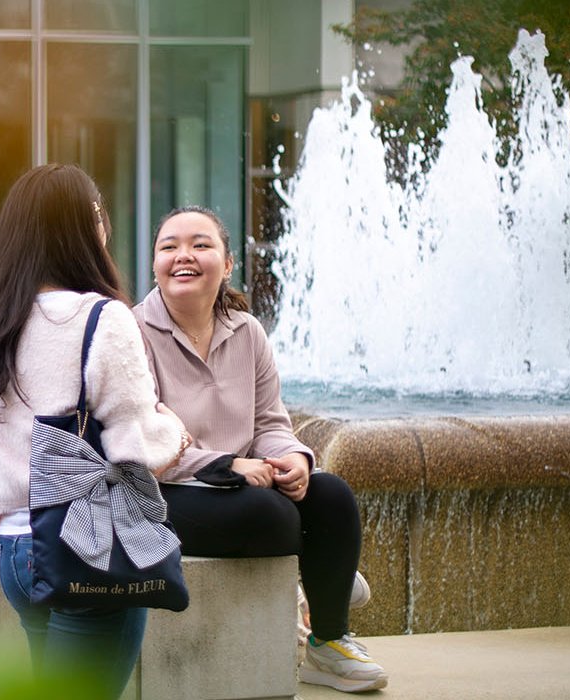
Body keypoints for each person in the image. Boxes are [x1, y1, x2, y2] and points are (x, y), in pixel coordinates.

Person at [0, 164, 191, 699]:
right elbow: (138, 451)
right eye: (98, 213)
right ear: (85, 230)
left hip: (16, 550)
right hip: (86, 549)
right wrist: (175, 431)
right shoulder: (101, 318)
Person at [133, 206, 388, 693]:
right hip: (160, 490)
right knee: (268, 516)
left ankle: (329, 645)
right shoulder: (131, 332)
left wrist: (291, 457)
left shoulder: (247, 333)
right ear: (155, 265)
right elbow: (140, 435)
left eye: (200, 245)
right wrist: (227, 465)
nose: (183, 256)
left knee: (330, 493)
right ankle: (325, 571)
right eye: (169, 247)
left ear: (227, 264)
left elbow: (271, 421)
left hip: (245, 485)